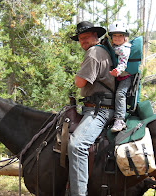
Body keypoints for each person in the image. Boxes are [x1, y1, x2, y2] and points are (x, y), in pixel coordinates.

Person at [68, 21, 115, 196]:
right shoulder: (100, 51)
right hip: (94, 107)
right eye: (80, 39)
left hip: (100, 109)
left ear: (96, 36)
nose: (83, 41)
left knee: (77, 145)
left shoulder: (94, 53)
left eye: (86, 37)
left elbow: (80, 82)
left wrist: (76, 76)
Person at [108, 20, 132, 132]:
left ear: (125, 37)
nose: (117, 38)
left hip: (125, 76)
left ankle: (120, 120)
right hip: (118, 76)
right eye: (114, 36)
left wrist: (117, 71)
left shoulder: (124, 49)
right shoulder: (114, 47)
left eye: (120, 35)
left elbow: (123, 63)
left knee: (120, 94)